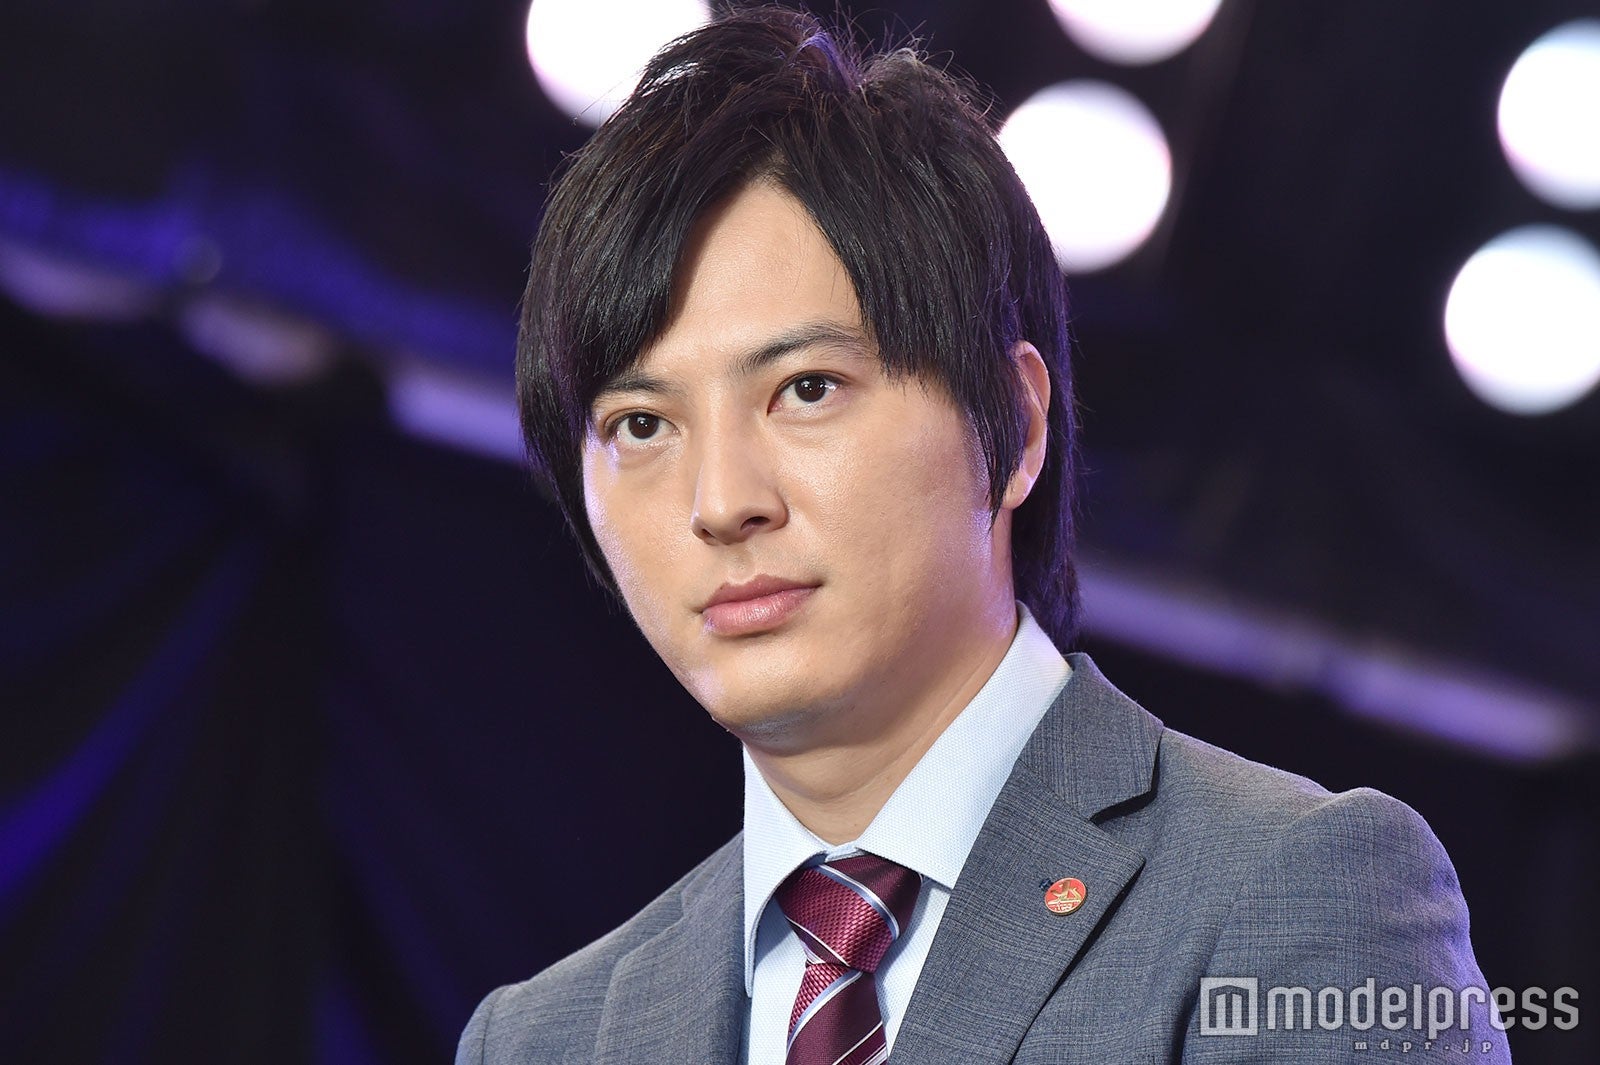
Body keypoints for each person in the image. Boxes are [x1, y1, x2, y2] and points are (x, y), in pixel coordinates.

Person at [458, 7, 1507, 1062]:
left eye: (807, 388)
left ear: (1014, 425)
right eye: (641, 425)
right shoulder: (540, 1040)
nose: (722, 501)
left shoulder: (1297, 893)